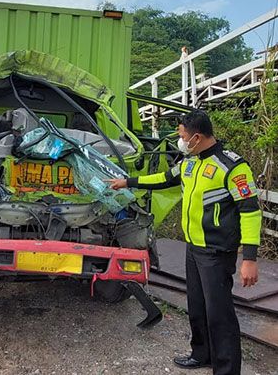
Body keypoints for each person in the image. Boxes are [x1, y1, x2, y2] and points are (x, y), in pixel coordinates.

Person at [107, 110, 261, 375]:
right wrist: (128, 182)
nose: (180, 140)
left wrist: (250, 258)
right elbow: (165, 178)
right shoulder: (190, 162)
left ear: (197, 137)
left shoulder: (233, 167)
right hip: (194, 247)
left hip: (216, 252)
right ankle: (201, 354)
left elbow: (250, 210)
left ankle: (226, 370)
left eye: (181, 136)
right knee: (197, 307)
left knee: (219, 315)